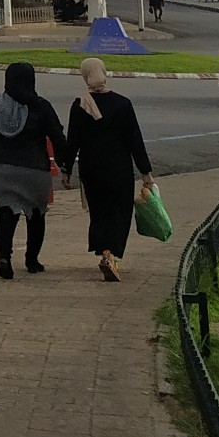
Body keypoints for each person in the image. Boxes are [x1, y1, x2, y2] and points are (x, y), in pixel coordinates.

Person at [61, 57, 155, 282]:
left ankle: (105, 252)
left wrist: (66, 170)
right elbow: (135, 140)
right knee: (120, 213)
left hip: (92, 171)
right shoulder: (122, 104)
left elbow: (72, 141)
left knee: (100, 213)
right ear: (104, 72)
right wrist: (146, 173)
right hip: (118, 169)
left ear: (85, 76)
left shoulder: (80, 105)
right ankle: (111, 255)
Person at [0, 61, 69, 280]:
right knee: (36, 213)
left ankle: (4, 257)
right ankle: (32, 260)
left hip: (2, 168)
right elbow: (57, 137)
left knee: (7, 212)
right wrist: (66, 166)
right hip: (34, 170)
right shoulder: (41, 106)